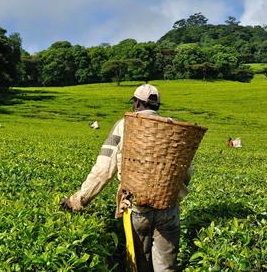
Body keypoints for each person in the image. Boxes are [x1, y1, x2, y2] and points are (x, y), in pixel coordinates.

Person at [60, 84, 192, 271]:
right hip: (169, 209)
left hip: (138, 207)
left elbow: (103, 169)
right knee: (166, 267)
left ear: (137, 103)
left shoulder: (124, 125)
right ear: (157, 106)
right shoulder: (172, 127)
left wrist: (78, 200)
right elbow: (186, 170)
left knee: (140, 266)